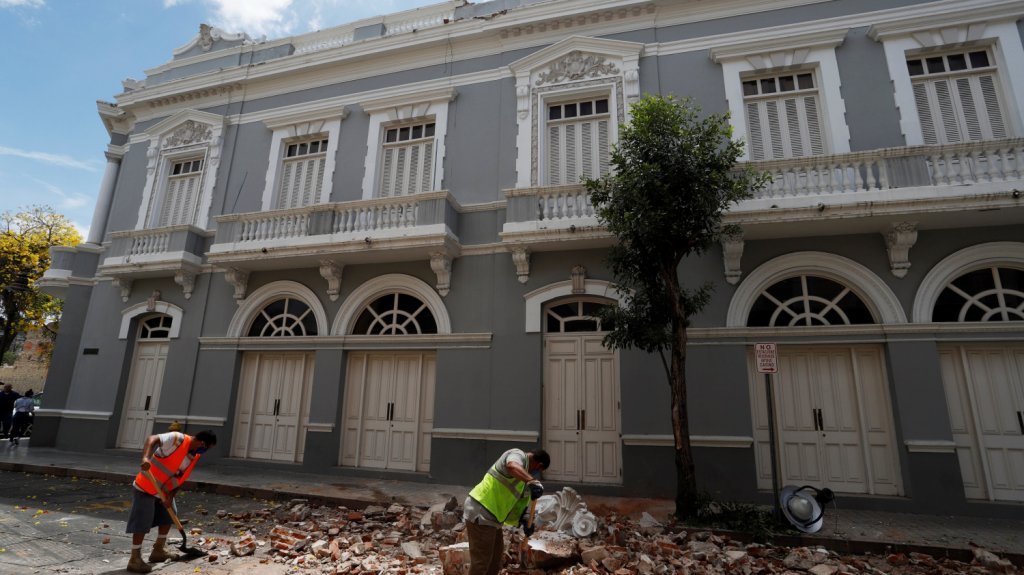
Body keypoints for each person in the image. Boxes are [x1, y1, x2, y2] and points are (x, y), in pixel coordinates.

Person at [125, 429, 217, 573]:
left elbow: (179, 477)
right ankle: (134, 559)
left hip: (164, 492)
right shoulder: (177, 439)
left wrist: (171, 496)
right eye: (208, 448)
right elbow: (152, 438)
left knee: (169, 515)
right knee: (142, 523)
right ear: (202, 443)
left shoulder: (194, 455)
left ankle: (158, 551)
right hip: (147, 486)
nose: (206, 451)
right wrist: (145, 458)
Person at [463, 448, 549, 575]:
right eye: (539, 471)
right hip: (481, 510)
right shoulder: (517, 455)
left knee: (495, 561)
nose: (535, 474)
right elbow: (511, 465)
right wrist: (532, 481)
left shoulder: (522, 480)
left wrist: (525, 521)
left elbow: (514, 508)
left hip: (493, 518)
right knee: (481, 564)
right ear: (539, 465)